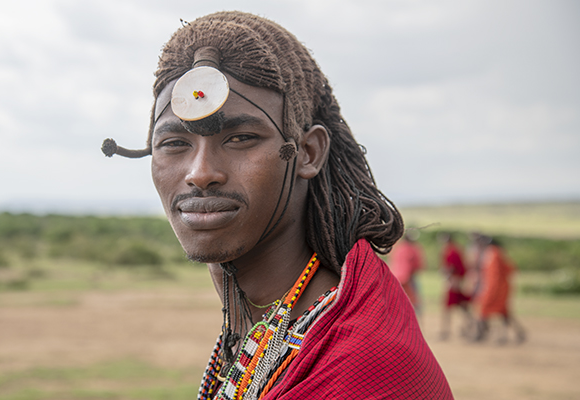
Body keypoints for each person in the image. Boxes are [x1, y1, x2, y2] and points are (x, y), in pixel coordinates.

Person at [102, 11, 452, 399]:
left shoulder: (366, 364)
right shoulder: (267, 328)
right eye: (173, 144)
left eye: (241, 138)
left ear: (308, 152)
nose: (201, 173)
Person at [475, 238, 526, 344]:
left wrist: (490, 290)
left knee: (485, 309)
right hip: (500, 287)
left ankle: (483, 334)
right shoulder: (496, 253)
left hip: (497, 288)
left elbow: (496, 275)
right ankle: (516, 333)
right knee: (503, 312)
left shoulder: (494, 254)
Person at [438, 233, 473, 340]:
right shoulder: (454, 249)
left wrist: (446, 274)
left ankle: (445, 331)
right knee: (461, 306)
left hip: (453, 282)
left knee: (448, 307)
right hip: (456, 281)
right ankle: (471, 325)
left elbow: (453, 267)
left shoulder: (451, 251)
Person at [388, 231, 425, 316]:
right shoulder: (413, 249)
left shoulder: (398, 248)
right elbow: (418, 265)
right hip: (407, 278)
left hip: (395, 277)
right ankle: (417, 321)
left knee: (395, 301)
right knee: (415, 301)